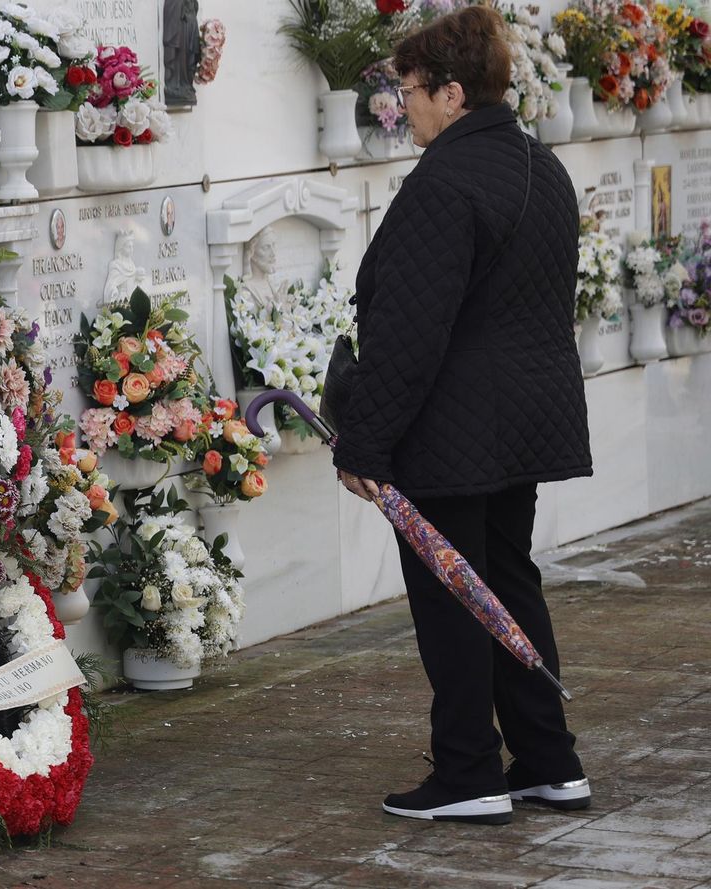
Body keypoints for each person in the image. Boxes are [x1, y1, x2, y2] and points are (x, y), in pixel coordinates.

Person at [330, 7, 594, 825]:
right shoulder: (540, 165)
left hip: (450, 432)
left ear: (451, 93)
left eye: (409, 89)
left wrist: (364, 443)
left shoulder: (444, 182)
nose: (401, 104)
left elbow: (409, 331)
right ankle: (549, 760)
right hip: (524, 422)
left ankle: (470, 771)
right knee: (506, 582)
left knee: (453, 599)